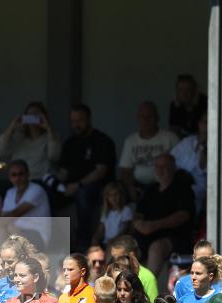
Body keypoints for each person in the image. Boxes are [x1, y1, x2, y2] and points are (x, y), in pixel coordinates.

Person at [56, 103, 117, 248]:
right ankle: (53, 244)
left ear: (89, 119)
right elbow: (63, 171)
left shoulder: (102, 140)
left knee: (83, 194)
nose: (76, 125)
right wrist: (55, 182)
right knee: (47, 193)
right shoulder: (70, 143)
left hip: (96, 185)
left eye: (80, 120)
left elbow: (101, 171)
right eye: (73, 121)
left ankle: (83, 242)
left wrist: (78, 185)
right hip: (72, 185)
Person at [131, 154, 196, 279]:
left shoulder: (183, 188)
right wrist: (138, 224)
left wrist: (154, 225)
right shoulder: (150, 190)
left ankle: (146, 292)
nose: (160, 170)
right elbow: (138, 215)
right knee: (124, 246)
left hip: (176, 238)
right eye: (157, 166)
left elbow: (184, 215)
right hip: (146, 236)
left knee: (156, 247)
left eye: (164, 166)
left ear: (173, 168)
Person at [119, 102, 179, 202]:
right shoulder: (130, 140)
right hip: (138, 185)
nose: (145, 120)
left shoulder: (170, 137)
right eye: (142, 117)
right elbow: (125, 170)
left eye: (149, 117)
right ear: (137, 119)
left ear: (157, 118)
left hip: (164, 184)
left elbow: (181, 165)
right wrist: (131, 189)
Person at [0, 101, 61, 182]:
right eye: (29, 114)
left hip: (39, 181)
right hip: (17, 181)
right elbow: (1, 150)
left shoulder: (51, 137)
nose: (32, 117)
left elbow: (54, 156)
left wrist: (48, 128)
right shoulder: (18, 137)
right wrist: (12, 126)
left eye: (36, 114)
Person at [1, 160, 52, 250]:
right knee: (4, 228)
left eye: (21, 174)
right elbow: (4, 216)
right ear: (9, 177)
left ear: (28, 174)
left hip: (38, 237)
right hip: (16, 233)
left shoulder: (36, 190)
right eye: (14, 175)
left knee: (7, 226)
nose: (18, 178)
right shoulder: (10, 192)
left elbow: (15, 214)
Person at [170, 114, 208, 212]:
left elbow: (203, 168)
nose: (207, 125)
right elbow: (171, 159)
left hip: (199, 186)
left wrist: (203, 147)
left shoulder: (218, 144)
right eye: (205, 122)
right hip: (178, 180)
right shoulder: (188, 141)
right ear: (199, 124)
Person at [109, 235, 158, 303]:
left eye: (119, 258)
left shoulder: (147, 277)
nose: (114, 261)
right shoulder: (112, 273)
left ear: (131, 255)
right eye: (113, 258)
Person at [91, 183, 132, 248]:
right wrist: (95, 238)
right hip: (107, 242)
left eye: (116, 194)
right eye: (110, 195)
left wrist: (114, 239)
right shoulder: (106, 212)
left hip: (120, 243)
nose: (113, 197)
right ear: (106, 197)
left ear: (121, 195)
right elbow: (100, 229)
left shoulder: (126, 210)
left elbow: (125, 229)